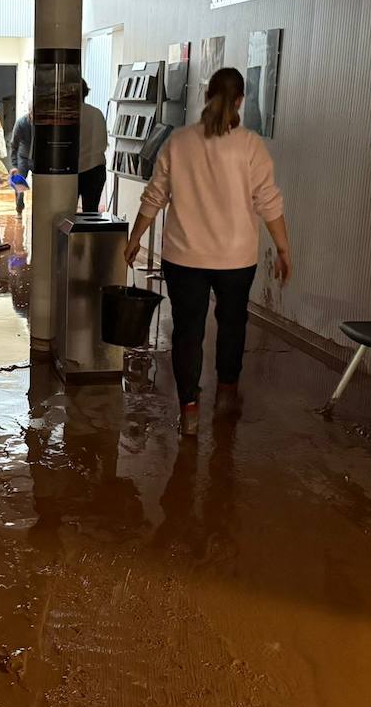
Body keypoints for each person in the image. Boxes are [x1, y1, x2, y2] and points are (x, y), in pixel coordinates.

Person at [124, 67, 293, 436]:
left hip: (184, 256)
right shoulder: (250, 146)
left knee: (188, 331)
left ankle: (189, 408)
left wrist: (136, 236)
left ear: (206, 96)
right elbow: (269, 201)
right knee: (232, 323)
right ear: (239, 101)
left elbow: (155, 195)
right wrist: (282, 248)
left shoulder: (179, 142)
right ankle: (227, 394)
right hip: (236, 258)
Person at [77, 82, 108, 211]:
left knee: (66, 215)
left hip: (72, 172)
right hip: (96, 169)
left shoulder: (67, 114)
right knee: (91, 214)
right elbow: (103, 142)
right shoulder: (97, 113)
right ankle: (89, 232)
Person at [8, 110, 33, 213]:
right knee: (19, 183)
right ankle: (19, 207)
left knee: (42, 185)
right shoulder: (21, 122)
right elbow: (14, 144)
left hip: (37, 157)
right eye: (32, 114)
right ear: (29, 112)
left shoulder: (42, 122)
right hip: (23, 156)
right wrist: (14, 165)